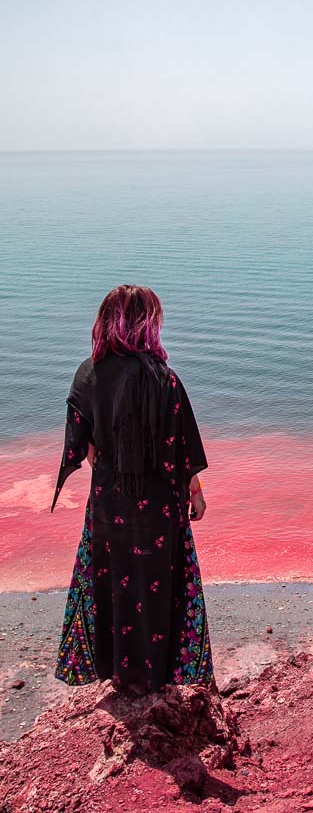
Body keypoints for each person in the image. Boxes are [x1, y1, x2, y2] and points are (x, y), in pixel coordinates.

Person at [52, 284, 214, 693]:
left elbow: (84, 449)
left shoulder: (88, 373)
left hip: (110, 503)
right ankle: (162, 676)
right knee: (162, 584)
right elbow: (181, 453)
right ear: (147, 323)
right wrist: (195, 493)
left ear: (107, 321)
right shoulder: (164, 379)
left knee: (112, 582)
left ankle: (116, 673)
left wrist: (114, 474)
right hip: (160, 507)